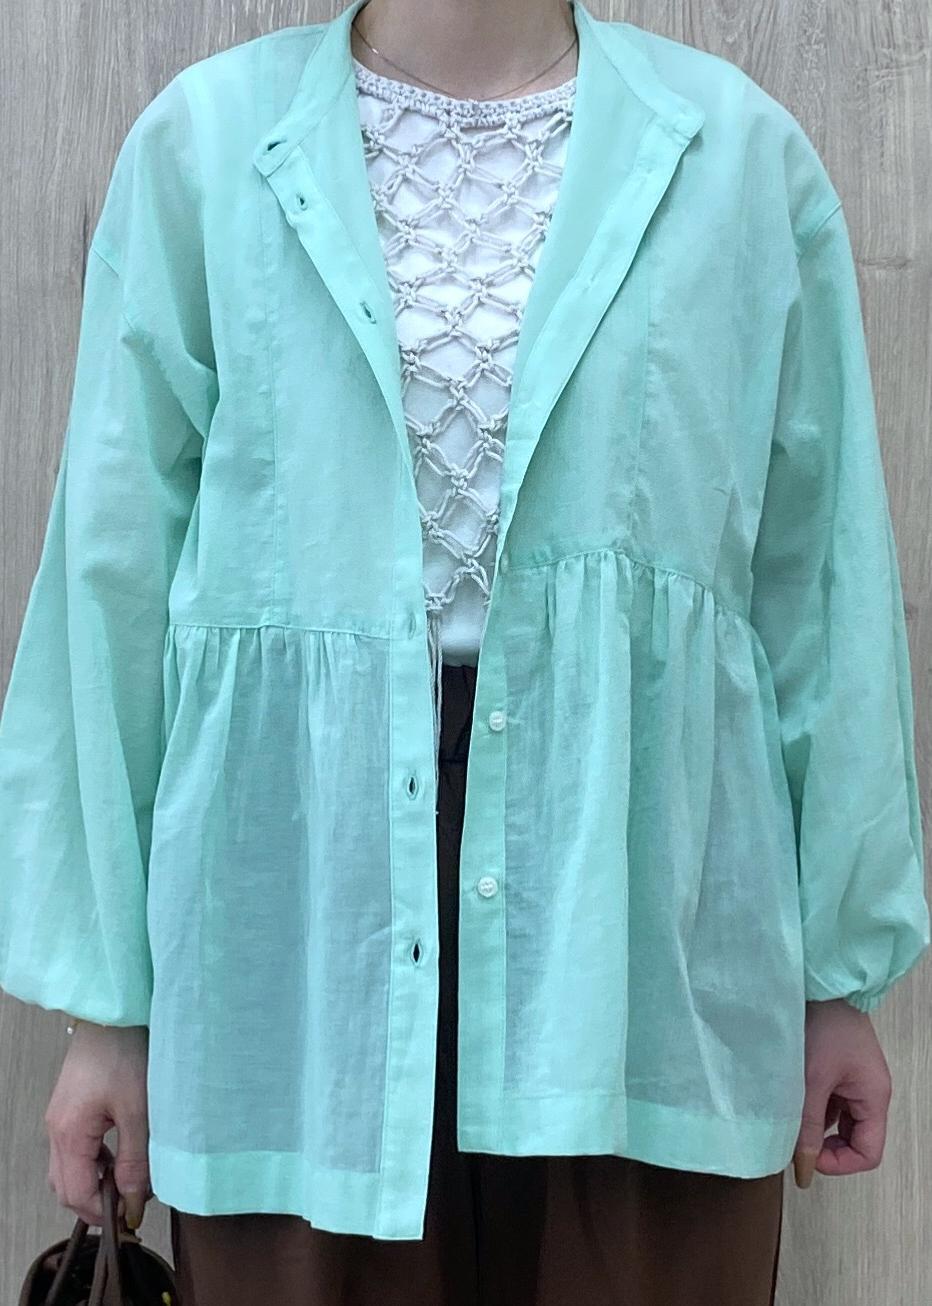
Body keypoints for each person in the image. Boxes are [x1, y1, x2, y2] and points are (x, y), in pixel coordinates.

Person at [1, 1, 929, 1303]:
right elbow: (110, 589)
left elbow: (820, 584)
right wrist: (108, 1014)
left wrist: (837, 978)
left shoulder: (737, 156)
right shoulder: (203, 150)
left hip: (640, 920)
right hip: (293, 920)